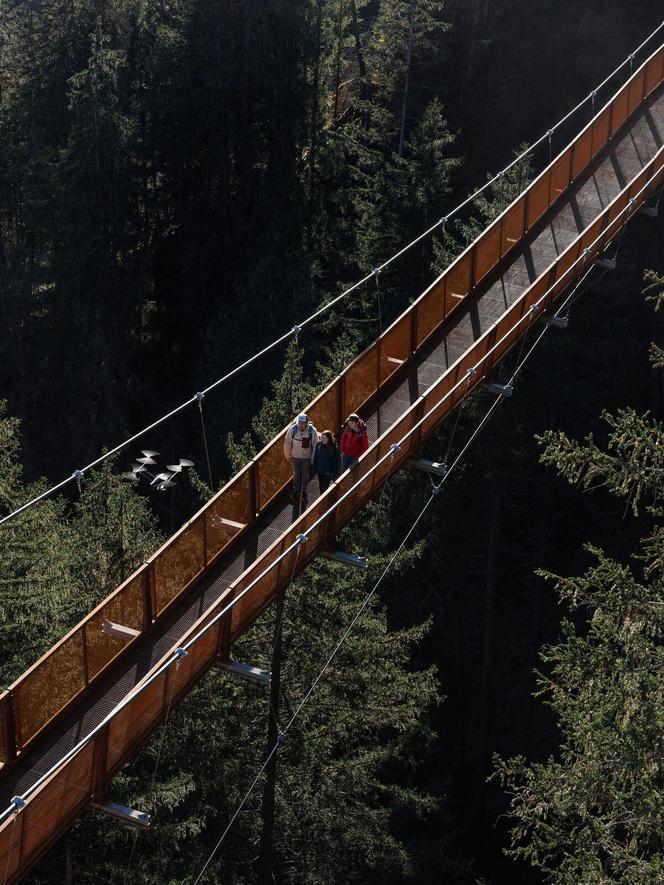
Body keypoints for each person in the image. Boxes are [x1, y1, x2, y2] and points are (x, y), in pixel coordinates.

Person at [283, 413, 318, 504]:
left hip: (307, 458)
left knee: (305, 475)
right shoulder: (293, 430)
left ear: (307, 423)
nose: (302, 425)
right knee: (296, 475)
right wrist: (288, 456)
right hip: (295, 457)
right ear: (298, 423)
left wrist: (313, 459)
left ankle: (304, 491)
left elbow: (315, 445)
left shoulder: (312, 431)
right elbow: (287, 443)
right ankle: (296, 491)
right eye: (301, 423)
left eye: (304, 424)